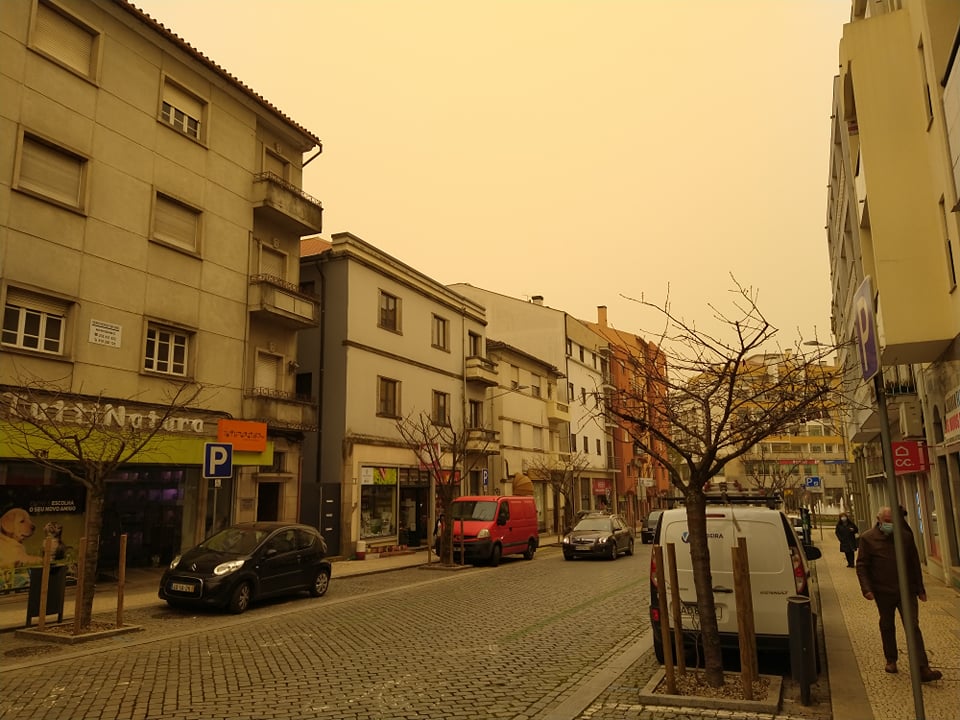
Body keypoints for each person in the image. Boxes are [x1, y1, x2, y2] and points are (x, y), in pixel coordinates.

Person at [856, 506, 943, 682]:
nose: (891, 524)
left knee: (913, 627)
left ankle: (922, 668)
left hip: (906, 590)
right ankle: (891, 659)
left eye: (893, 521)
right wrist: (867, 589)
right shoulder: (868, 539)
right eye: (888, 521)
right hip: (883, 591)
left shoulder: (905, 537)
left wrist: (920, 589)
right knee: (887, 625)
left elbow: (914, 564)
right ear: (879, 520)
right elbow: (862, 565)